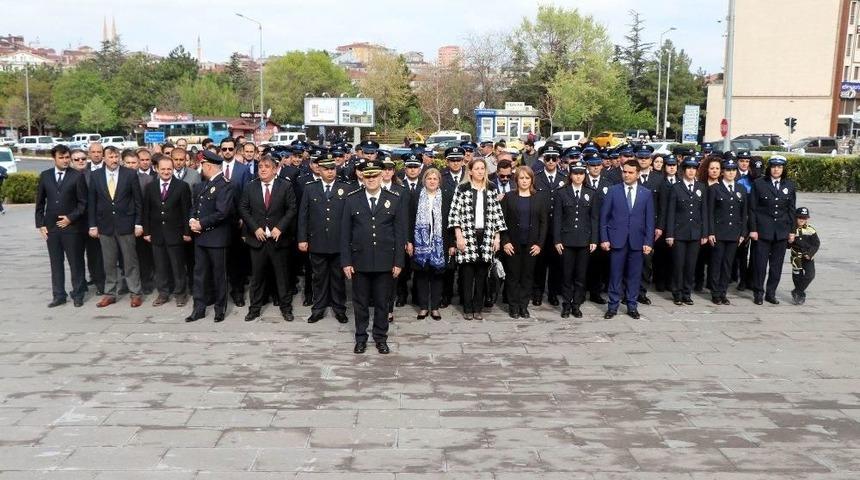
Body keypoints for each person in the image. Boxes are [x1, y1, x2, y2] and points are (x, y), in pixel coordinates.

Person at [341, 159, 407, 355]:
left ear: (381, 177)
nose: (371, 179)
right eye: (367, 176)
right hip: (359, 260)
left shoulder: (393, 198)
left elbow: (399, 234)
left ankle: (380, 338)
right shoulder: (352, 199)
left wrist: (398, 261)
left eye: (375, 176)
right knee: (360, 303)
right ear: (362, 177)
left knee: (382, 302)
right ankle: (361, 338)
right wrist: (346, 261)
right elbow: (345, 233)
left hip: (385, 261)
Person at [239, 154, 298, 322]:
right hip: (258, 240)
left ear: (275, 169)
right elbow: (243, 208)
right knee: (257, 277)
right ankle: (254, 309)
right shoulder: (250, 186)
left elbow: (292, 209)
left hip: (279, 240)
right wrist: (255, 228)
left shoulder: (285, 186)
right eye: (260, 167)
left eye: (267, 167)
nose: (263, 170)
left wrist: (280, 227)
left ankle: (286, 308)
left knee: (282, 277)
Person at [448, 157, 507, 320]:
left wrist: (497, 238)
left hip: (487, 235)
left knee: (482, 275)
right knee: (467, 275)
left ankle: (478, 308)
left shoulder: (491, 187)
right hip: (467, 235)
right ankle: (467, 308)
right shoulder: (462, 188)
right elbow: (454, 213)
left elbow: (497, 213)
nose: (480, 171)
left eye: (482, 168)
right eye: (477, 168)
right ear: (471, 171)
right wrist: (458, 236)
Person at [298, 153, 352, 324]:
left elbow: (350, 217)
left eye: (332, 169)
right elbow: (303, 216)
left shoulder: (345, 187)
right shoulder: (310, 188)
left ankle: (339, 309)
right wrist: (302, 238)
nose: (330, 172)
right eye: (326, 169)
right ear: (319, 170)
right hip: (317, 240)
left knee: (338, 278)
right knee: (319, 277)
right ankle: (318, 309)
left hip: (338, 241)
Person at [88, 145, 144, 308]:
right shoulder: (96, 175)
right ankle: (110, 293)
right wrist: (92, 225)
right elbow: (92, 202)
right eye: (111, 157)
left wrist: (138, 223)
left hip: (126, 224)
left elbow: (138, 201)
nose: (114, 160)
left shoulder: (130, 174)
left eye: (116, 157)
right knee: (109, 262)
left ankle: (135, 292)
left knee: (130, 260)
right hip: (105, 226)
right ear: (104, 158)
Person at [599, 160, 654, 319]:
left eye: (630, 172)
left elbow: (649, 220)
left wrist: (648, 242)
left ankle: (632, 306)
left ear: (638, 174)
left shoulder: (646, 193)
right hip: (617, 240)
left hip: (637, 241)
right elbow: (604, 217)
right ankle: (612, 306)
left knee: (634, 276)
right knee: (615, 275)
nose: (627, 175)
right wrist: (604, 238)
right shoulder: (613, 191)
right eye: (625, 172)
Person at [35, 145, 88, 307]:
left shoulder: (77, 176)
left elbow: (83, 203)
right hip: (51, 228)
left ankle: (78, 294)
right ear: (54, 158)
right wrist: (40, 224)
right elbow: (40, 202)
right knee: (56, 262)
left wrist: (70, 218)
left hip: (72, 227)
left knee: (75, 262)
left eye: (67, 158)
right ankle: (59, 295)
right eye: (61, 158)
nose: (65, 161)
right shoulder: (45, 176)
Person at [186, 150, 235, 323]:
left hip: (217, 238)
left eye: (202, 166)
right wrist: (192, 219)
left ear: (208, 166)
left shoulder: (225, 185)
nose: (201, 169)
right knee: (199, 275)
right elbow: (195, 206)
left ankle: (219, 309)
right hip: (201, 238)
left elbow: (222, 212)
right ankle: (198, 308)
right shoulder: (203, 184)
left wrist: (201, 224)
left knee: (219, 276)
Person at [141, 154, 192, 307]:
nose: (166, 172)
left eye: (169, 169)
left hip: (175, 233)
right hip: (157, 234)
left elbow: (186, 211)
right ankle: (163, 293)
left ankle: (180, 294)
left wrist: (187, 232)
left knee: (177, 266)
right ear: (157, 169)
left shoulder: (182, 186)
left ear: (173, 169)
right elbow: (146, 211)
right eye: (163, 169)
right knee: (160, 266)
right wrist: (147, 232)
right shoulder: (150, 187)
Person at [500, 166, 547, 319]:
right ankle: (513, 307)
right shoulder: (509, 197)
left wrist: (539, 244)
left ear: (532, 180)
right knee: (513, 276)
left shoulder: (539, 198)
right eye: (521, 178)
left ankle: (523, 306)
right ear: (516, 180)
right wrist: (505, 242)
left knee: (527, 276)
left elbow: (544, 223)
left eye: (527, 178)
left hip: (531, 245)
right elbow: (502, 222)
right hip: (513, 244)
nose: (524, 181)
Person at [748, 155, 796, 305]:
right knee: (760, 265)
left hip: (781, 232)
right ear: (769, 168)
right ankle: (758, 293)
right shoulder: (759, 184)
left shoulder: (789, 185)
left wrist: (792, 231)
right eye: (774, 167)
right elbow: (752, 209)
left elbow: (791, 210)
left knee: (776, 266)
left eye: (779, 167)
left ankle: (771, 293)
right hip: (762, 231)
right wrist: (753, 229)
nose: (776, 170)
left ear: (783, 169)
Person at [554, 160, 599, 318]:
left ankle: (576, 305)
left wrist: (594, 239)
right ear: (570, 175)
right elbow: (557, 218)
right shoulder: (562, 192)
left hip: (584, 240)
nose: (578, 176)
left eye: (581, 174)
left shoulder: (591, 192)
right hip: (567, 240)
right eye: (575, 173)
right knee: (567, 275)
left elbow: (594, 218)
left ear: (584, 175)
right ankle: (566, 304)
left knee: (581, 276)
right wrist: (557, 240)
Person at [407, 167, 451, 320]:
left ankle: (435, 307)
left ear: (439, 181)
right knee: (421, 275)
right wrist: (409, 241)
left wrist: (451, 244)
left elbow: (451, 222)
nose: (432, 181)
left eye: (435, 179)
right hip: (420, 244)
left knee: (437, 275)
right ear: (424, 180)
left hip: (440, 242)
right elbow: (409, 219)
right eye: (429, 178)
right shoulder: (415, 196)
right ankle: (424, 307)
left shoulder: (446, 197)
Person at [665, 157, 709, 306]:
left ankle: (686, 293)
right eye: (688, 168)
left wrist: (704, 233)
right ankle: (677, 293)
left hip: (695, 233)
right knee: (678, 265)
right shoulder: (676, 187)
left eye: (694, 168)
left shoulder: (701, 187)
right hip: (679, 232)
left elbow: (704, 212)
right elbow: (671, 212)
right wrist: (670, 234)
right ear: (683, 170)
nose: (691, 171)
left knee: (691, 265)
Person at [707, 158, 747, 305]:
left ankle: (723, 292)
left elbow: (744, 213)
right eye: (728, 170)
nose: (731, 173)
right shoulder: (715, 189)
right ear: (723, 172)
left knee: (728, 264)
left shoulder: (741, 189)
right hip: (719, 232)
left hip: (734, 232)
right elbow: (710, 213)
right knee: (716, 263)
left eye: (733, 170)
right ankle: (715, 293)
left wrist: (742, 233)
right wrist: (710, 232)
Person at [219, 138, 252, 307]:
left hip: (236, 221)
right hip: (217, 221)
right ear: (220, 150)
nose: (227, 152)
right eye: (224, 149)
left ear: (235, 150)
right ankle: (220, 292)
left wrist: (242, 218)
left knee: (236, 259)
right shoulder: (215, 167)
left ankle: (237, 292)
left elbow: (246, 196)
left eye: (230, 149)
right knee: (219, 259)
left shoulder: (243, 170)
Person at [532, 143, 566, 307]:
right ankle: (537, 293)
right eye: (548, 158)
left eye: (554, 158)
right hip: (540, 226)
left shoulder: (564, 178)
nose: (551, 161)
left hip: (557, 227)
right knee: (539, 262)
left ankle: (553, 293)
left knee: (556, 263)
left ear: (558, 160)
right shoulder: (536, 177)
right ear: (543, 159)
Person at [693, 157, 722, 293]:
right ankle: (698, 281)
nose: (714, 171)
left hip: (718, 227)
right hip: (701, 225)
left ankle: (712, 283)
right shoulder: (700, 185)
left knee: (714, 258)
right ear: (707, 169)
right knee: (700, 256)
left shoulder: (724, 185)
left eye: (717, 168)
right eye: (712, 168)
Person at [789, 207, 819, 305]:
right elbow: (786, 245)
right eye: (800, 217)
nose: (802, 220)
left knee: (810, 275)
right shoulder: (791, 230)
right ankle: (800, 295)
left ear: (807, 219)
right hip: (796, 257)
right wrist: (789, 241)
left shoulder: (811, 230)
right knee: (797, 276)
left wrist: (810, 254)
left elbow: (816, 244)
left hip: (808, 257)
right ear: (795, 217)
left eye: (804, 218)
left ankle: (797, 291)